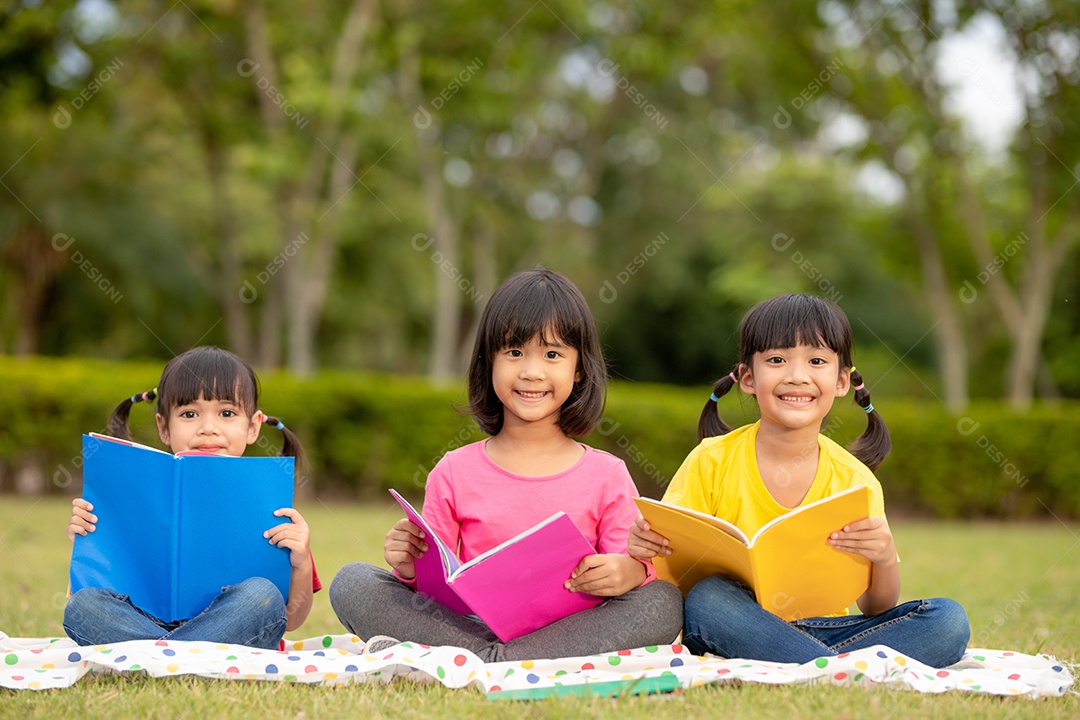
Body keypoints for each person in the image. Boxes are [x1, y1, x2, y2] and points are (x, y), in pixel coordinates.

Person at [330, 267, 683, 661]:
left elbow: (628, 568)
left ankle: (486, 659)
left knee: (662, 601)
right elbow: (436, 589)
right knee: (352, 582)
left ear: (579, 368)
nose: (531, 372)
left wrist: (628, 571)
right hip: (471, 626)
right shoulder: (453, 471)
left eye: (552, 355)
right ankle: (500, 658)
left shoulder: (608, 474)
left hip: (571, 632)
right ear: (489, 362)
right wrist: (410, 567)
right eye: (514, 353)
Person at [628, 293, 970, 668]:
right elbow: (674, 577)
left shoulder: (855, 480)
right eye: (777, 360)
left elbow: (876, 607)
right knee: (708, 598)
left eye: (816, 361)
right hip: (733, 622)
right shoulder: (710, 460)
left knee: (948, 621)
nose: (797, 376)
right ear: (748, 378)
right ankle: (837, 669)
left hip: (826, 630)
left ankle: (815, 665)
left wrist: (885, 557)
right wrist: (647, 547)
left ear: (842, 381)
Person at [63, 346, 320, 650]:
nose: (208, 428)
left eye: (227, 413)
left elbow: (291, 618)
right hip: (144, 621)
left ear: (253, 427)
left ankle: (158, 655)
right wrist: (88, 539)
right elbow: (84, 593)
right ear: (164, 427)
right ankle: (186, 654)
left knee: (262, 596)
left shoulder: (267, 503)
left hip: (232, 621)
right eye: (189, 414)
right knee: (83, 607)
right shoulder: (131, 496)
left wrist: (301, 562)